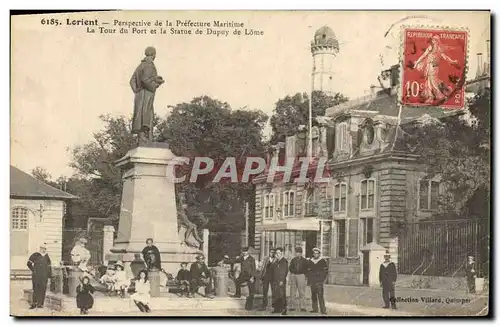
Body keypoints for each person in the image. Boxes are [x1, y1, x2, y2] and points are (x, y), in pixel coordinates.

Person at [130, 46, 165, 144]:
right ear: (153, 55)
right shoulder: (149, 65)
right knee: (146, 115)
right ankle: (145, 138)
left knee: (141, 114)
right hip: (147, 94)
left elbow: (132, 80)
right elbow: (145, 80)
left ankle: (142, 137)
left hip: (140, 94)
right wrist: (156, 84)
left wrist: (136, 90)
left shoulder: (140, 66)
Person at [412, 35, 459, 104]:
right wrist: (417, 63)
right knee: (430, 81)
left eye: (434, 40)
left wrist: (452, 61)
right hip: (429, 66)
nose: (433, 41)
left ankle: (438, 95)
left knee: (433, 81)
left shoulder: (439, 49)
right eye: (433, 40)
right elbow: (424, 55)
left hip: (434, 67)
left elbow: (445, 57)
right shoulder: (430, 47)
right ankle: (433, 95)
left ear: (437, 41)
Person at [27, 243, 52, 309]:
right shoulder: (35, 255)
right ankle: (34, 304)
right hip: (36, 276)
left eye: (44, 249)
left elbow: (49, 267)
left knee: (43, 289)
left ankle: (40, 304)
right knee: (35, 289)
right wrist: (33, 270)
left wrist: (49, 276)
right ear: (40, 248)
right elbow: (28, 263)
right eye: (42, 248)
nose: (43, 250)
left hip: (44, 277)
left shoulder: (47, 257)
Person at [307, 247, 328, 315]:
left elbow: (325, 271)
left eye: (317, 253)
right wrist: (309, 279)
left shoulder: (322, 261)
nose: (316, 254)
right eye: (314, 253)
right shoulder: (310, 261)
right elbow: (308, 271)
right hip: (313, 281)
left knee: (320, 296)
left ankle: (323, 310)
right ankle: (315, 309)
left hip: (319, 281)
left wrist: (322, 279)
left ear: (319, 254)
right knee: (313, 296)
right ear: (313, 254)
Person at [289, 247, 309, 312]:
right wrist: (293, 273)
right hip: (294, 275)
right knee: (292, 292)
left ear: (301, 253)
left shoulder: (305, 260)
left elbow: (307, 269)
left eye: (298, 252)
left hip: (301, 275)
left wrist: (305, 275)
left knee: (302, 292)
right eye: (296, 252)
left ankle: (303, 307)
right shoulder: (293, 260)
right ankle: (292, 306)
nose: (297, 253)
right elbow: (290, 268)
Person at [271, 247, 288, 315]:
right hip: (275, 280)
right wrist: (274, 260)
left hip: (281, 281)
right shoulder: (276, 261)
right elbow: (272, 269)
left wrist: (281, 280)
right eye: (276, 253)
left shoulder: (284, 261)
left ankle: (284, 309)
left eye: (279, 253)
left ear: (281, 253)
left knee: (282, 295)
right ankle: (277, 309)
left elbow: (284, 271)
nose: (277, 254)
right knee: (276, 294)